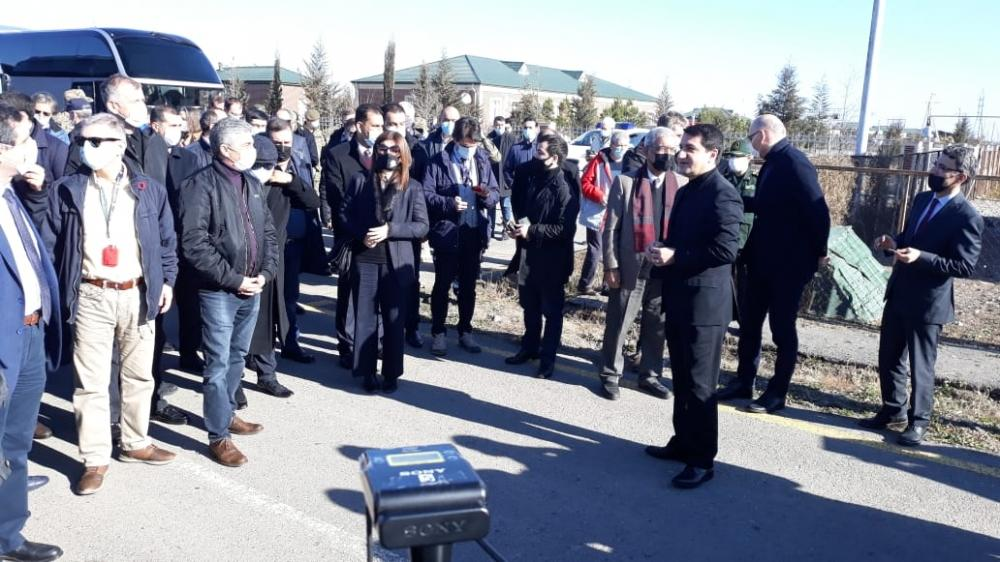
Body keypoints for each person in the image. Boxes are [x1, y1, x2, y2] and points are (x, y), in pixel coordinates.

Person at [39, 113, 178, 495]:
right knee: (91, 382)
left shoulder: (147, 189)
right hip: (91, 294)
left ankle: (135, 442)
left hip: (138, 293)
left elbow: (167, 241)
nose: (86, 147)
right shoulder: (66, 190)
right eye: (81, 140)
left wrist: (167, 281)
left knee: (139, 376)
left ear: (120, 145)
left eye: (96, 141)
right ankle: (94, 458)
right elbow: (49, 246)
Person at [861, 145, 984, 446]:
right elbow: (910, 239)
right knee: (889, 357)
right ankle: (893, 411)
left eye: (943, 168)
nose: (935, 171)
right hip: (899, 292)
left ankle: (918, 422)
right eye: (936, 164)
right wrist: (893, 242)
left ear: (961, 177)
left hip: (928, 302)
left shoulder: (967, 216)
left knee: (921, 366)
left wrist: (921, 257)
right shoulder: (922, 200)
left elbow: (964, 266)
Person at [644, 124, 742, 489]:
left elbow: (726, 250)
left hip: (706, 306)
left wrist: (677, 255)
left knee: (701, 385)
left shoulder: (723, 194)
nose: (681, 154)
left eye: (690, 149)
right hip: (680, 298)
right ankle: (683, 442)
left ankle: (702, 459)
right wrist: (662, 248)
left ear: (712, 154)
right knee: (682, 379)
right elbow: (682, 239)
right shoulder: (686, 190)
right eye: (681, 147)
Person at [178, 117, 278, 467]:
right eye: (247, 144)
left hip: (252, 287)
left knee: (238, 356)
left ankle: (228, 411)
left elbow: (267, 233)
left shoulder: (251, 183)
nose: (254, 150)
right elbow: (194, 243)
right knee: (218, 363)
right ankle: (218, 435)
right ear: (225, 149)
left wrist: (266, 273)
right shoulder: (199, 185)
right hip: (219, 290)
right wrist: (233, 279)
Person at [717, 115, 831, 414]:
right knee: (750, 323)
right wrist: (737, 201)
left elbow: (818, 211)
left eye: (751, 136)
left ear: (763, 135)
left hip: (788, 265)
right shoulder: (773, 163)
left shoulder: (795, 163)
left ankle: (777, 392)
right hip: (762, 259)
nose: (751, 143)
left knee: (782, 328)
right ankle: (744, 381)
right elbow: (769, 205)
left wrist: (819, 250)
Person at [0, 104, 65, 562]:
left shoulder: (12, 195)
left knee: (16, 439)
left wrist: (37, 197)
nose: (33, 150)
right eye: (24, 142)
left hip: (29, 333)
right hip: (3, 342)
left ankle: (9, 516)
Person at [598, 127, 685, 400]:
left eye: (671, 150)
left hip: (665, 271)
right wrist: (610, 265)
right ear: (646, 150)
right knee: (619, 323)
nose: (666, 155)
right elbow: (610, 229)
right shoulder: (625, 182)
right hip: (630, 269)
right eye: (660, 149)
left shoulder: (681, 183)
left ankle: (650, 375)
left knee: (656, 327)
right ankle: (610, 374)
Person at [339, 131, 428, 392]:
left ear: (402, 154)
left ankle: (391, 373)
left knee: (393, 321)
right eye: (382, 148)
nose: (387, 154)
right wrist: (360, 234)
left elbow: (422, 226)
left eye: (393, 149)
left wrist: (391, 230)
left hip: (395, 264)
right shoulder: (360, 180)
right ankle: (366, 372)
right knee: (365, 318)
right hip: (365, 259)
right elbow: (343, 213)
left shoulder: (412, 186)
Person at [243, 129, 319, 402]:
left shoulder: (283, 181)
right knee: (243, 319)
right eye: (277, 144)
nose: (283, 149)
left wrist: (291, 180)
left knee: (271, 314)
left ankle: (267, 373)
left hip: (274, 257)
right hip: (243, 257)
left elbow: (312, 202)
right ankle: (237, 379)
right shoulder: (242, 179)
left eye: (287, 143)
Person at [422, 117, 499, 356]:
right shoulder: (438, 162)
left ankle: (465, 330)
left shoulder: (482, 160)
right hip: (447, 233)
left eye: (473, 145)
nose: (470, 149)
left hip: (473, 232)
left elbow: (495, 193)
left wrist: (486, 195)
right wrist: (448, 203)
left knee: (468, 287)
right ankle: (438, 333)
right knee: (442, 285)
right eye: (465, 145)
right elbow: (425, 194)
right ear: (455, 140)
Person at [504, 133, 578, 379]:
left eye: (540, 153)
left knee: (552, 312)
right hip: (530, 255)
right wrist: (517, 227)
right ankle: (529, 348)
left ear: (554, 158)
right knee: (530, 307)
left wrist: (532, 230)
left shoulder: (563, 187)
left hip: (553, 261)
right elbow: (525, 210)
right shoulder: (534, 176)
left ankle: (547, 360)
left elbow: (565, 230)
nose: (535, 156)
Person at [324, 104, 383, 368]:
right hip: (350, 235)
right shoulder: (337, 154)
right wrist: (359, 231)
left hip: (380, 236)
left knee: (377, 292)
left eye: (382, 125)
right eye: (375, 126)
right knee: (348, 293)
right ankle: (347, 345)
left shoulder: (385, 152)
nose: (380, 131)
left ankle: (376, 342)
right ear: (360, 126)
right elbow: (337, 198)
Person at [146, 106, 193, 424]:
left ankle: (155, 386)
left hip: (177, 246)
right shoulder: (144, 157)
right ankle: (148, 396)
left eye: (181, 124)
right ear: (156, 126)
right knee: (152, 329)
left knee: (167, 322)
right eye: (173, 124)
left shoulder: (185, 158)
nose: (179, 129)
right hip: (154, 247)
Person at [383, 103, 425, 348]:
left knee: (410, 279)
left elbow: (423, 187)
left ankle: (412, 326)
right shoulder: (380, 149)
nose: (397, 128)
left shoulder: (417, 149)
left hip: (408, 224)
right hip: (380, 228)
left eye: (401, 123)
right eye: (392, 123)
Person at [578, 130, 629, 295]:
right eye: (618, 145)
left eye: (624, 146)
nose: (621, 149)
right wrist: (599, 195)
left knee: (613, 250)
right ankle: (585, 284)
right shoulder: (599, 161)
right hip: (598, 213)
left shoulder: (629, 162)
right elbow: (585, 183)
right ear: (612, 145)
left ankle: (608, 286)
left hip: (619, 213)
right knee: (595, 249)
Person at [719, 139, 758, 329]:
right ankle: (723, 318)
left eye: (738, 157)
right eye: (731, 157)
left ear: (749, 158)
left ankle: (746, 324)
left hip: (747, 242)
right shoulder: (722, 177)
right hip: (725, 239)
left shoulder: (757, 180)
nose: (733, 160)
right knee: (724, 283)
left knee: (746, 285)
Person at [412, 106, 459, 182]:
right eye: (446, 120)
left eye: (454, 121)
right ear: (440, 120)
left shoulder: (465, 144)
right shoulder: (426, 145)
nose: (450, 123)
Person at [487, 116, 516, 240]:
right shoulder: (489, 138)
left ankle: (506, 230)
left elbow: (514, 157)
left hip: (505, 179)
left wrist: (511, 176)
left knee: (505, 206)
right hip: (492, 178)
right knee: (491, 206)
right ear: (494, 125)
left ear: (505, 125)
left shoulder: (511, 138)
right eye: (497, 125)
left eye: (501, 125)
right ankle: (490, 230)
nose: (499, 127)